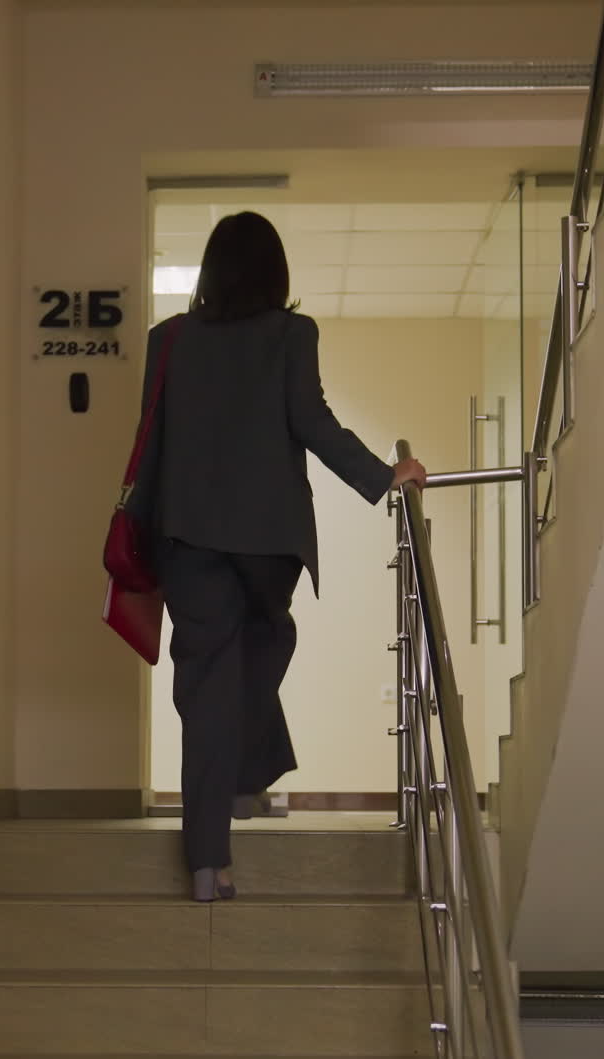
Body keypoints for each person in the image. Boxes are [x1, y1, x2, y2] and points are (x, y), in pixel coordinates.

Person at [137, 211, 426, 902]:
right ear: (275, 272)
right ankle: (241, 782)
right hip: (269, 542)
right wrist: (384, 475)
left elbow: (151, 440)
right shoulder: (293, 334)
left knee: (207, 689)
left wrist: (148, 539)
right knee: (262, 648)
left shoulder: (168, 341)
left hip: (188, 539)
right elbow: (310, 418)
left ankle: (211, 856)